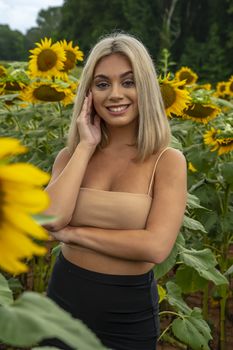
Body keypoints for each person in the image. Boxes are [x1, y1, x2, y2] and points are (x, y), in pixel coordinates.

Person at [42, 32, 187, 350]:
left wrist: (75, 235)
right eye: (102, 83)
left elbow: (155, 246)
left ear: (145, 87)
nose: (115, 94)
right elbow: (50, 219)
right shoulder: (70, 157)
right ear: (89, 92)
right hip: (63, 300)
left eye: (128, 82)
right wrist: (85, 147)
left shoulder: (167, 161)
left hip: (127, 313)